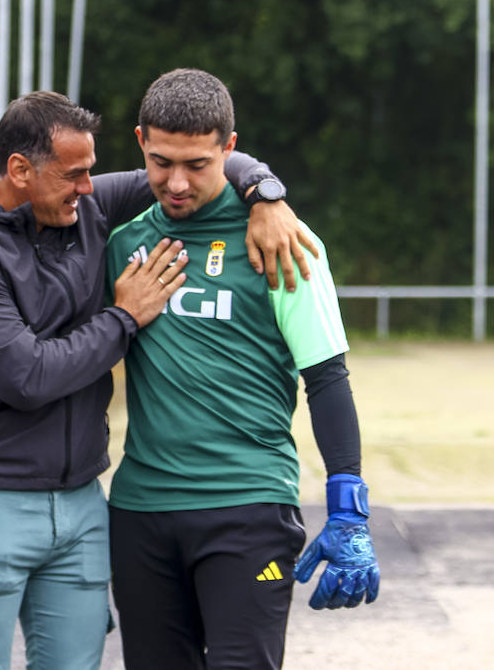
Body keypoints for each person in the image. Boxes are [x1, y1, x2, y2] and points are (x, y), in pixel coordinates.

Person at [0, 90, 315, 670]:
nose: (90, 188)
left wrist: (267, 194)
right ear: (20, 172)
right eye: (75, 175)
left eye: (91, 174)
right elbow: (28, 376)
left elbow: (194, 158)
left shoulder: (79, 206)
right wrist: (124, 318)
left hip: (80, 504)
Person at [104, 69, 378, 670]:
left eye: (197, 165)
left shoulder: (282, 241)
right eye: (159, 161)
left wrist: (348, 503)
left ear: (230, 150)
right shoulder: (119, 240)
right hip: (140, 511)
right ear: (140, 141)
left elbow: (327, 378)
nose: (175, 183)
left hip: (248, 507)